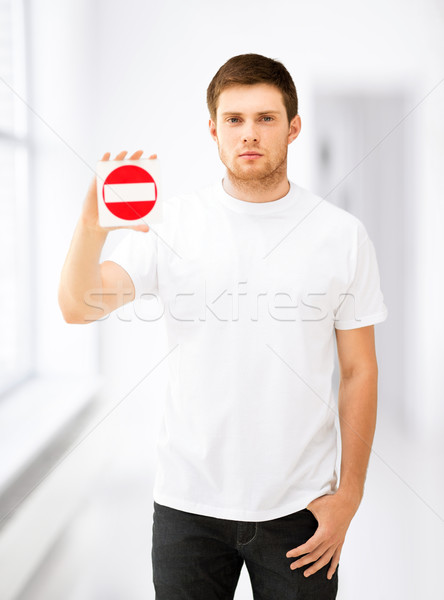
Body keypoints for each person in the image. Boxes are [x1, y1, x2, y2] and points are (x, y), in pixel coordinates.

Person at [58, 53, 388, 599]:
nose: (249, 133)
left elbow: (359, 370)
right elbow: (77, 305)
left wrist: (348, 494)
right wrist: (92, 225)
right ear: (213, 130)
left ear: (294, 127)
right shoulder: (174, 225)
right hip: (188, 508)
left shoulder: (341, 236)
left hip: (300, 509)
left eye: (266, 118)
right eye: (234, 120)